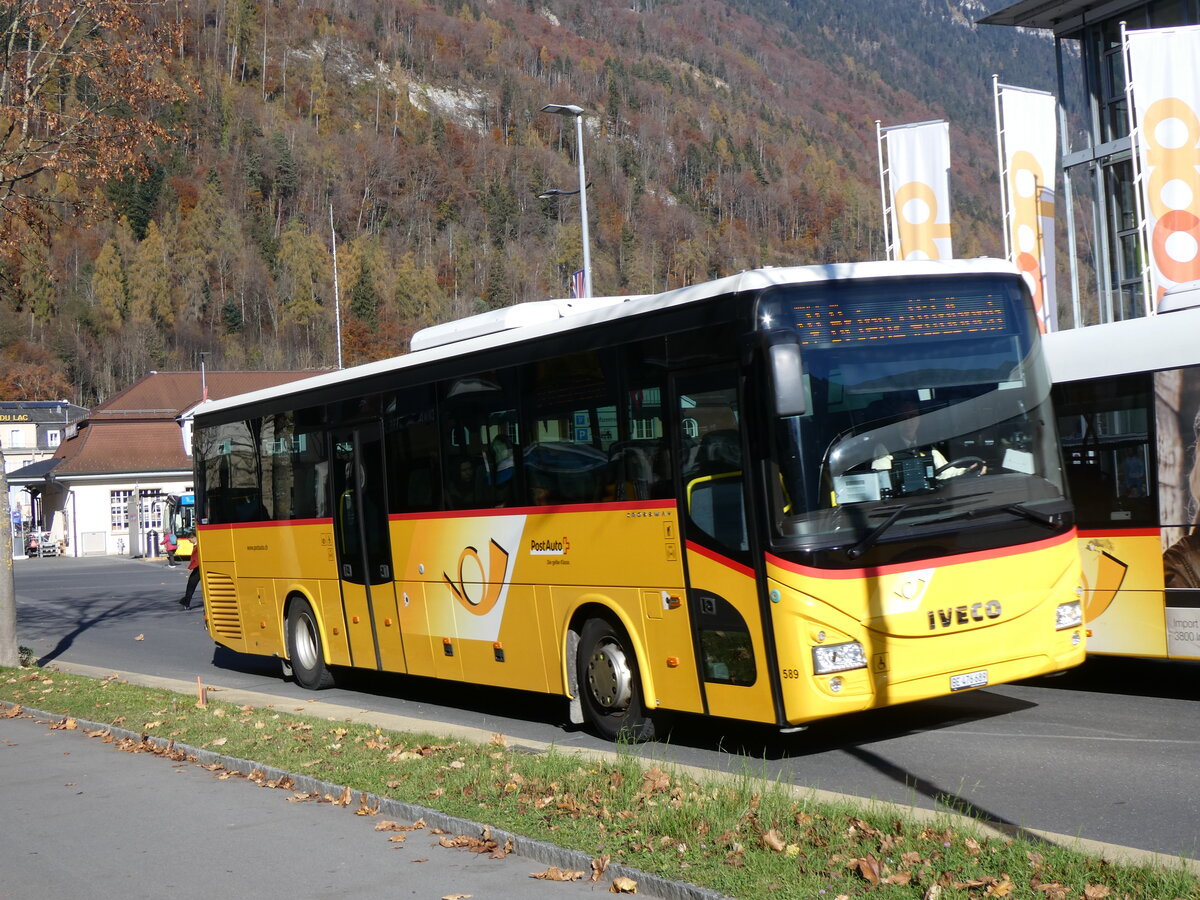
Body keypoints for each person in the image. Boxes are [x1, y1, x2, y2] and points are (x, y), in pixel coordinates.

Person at [179, 539, 201, 609]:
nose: (189, 541)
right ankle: (186, 601)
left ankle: (186, 601)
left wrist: (190, 567)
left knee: (191, 584)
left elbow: (196, 559)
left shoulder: (198, 546)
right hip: (198, 568)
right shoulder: (196, 545)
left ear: (194, 537)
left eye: (190, 539)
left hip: (199, 568)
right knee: (191, 584)